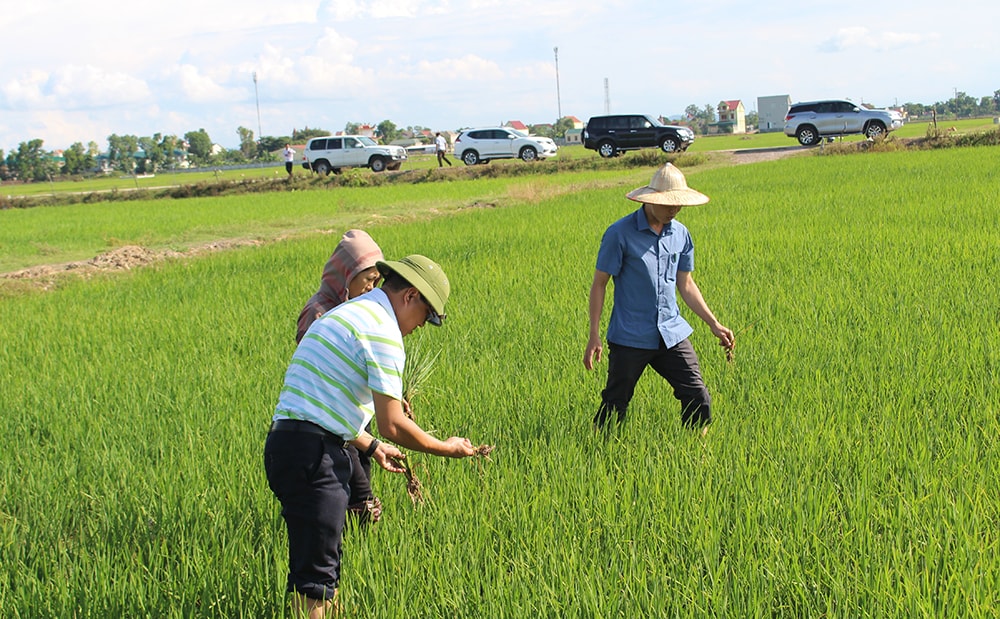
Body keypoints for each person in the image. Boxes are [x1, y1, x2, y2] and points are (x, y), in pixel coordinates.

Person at [265, 254, 477, 619]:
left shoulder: (347, 313)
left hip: (290, 445)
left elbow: (322, 404)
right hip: (315, 455)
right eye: (427, 316)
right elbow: (392, 423)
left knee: (321, 567)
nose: (423, 326)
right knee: (314, 582)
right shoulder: (383, 329)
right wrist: (447, 447)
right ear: (410, 296)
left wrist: (371, 446)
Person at [583, 163, 735, 432]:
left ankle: (695, 451)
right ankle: (597, 447)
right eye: (667, 204)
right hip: (630, 335)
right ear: (650, 200)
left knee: (697, 395)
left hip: (671, 332)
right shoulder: (619, 234)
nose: (673, 210)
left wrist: (714, 323)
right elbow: (599, 284)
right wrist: (593, 334)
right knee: (616, 401)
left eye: (678, 205)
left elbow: (686, 284)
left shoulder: (680, 234)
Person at [297, 230, 387, 525]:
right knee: (361, 499)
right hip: (332, 425)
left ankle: (356, 545)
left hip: (356, 418)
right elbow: (321, 379)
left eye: (377, 282)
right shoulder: (319, 314)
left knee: (359, 489)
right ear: (347, 275)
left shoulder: (356, 311)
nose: (373, 288)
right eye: (368, 279)